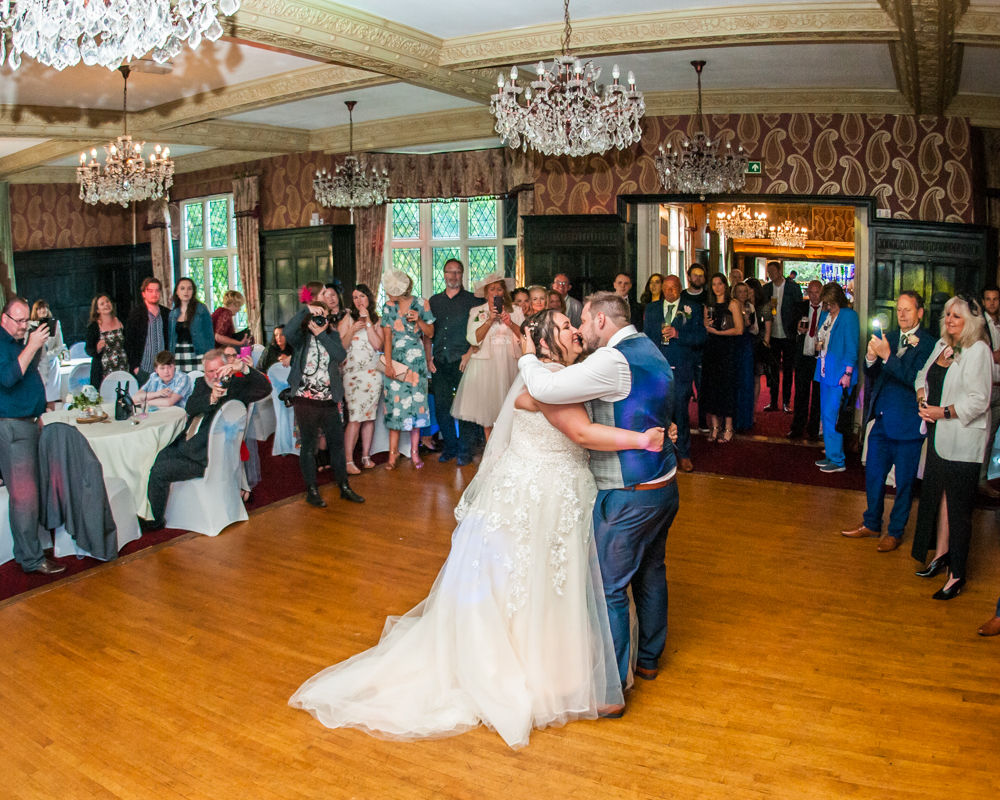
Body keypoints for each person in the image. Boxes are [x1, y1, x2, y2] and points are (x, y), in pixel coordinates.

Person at [289, 309, 664, 748]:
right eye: (565, 326)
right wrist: (643, 440)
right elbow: (579, 432)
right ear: (543, 342)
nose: (576, 330)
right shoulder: (543, 379)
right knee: (531, 581)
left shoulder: (559, 375)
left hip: (554, 488)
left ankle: (558, 663)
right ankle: (534, 669)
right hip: (536, 494)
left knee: (547, 580)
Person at [519, 292, 677, 694]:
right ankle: (648, 660)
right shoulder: (650, 350)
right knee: (650, 572)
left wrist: (524, 356)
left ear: (603, 322)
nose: (579, 329)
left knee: (608, 587)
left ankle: (609, 689)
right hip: (663, 485)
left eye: (584, 322)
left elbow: (547, 389)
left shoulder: (610, 360)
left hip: (629, 490)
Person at [911, 294, 992, 600]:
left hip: (961, 439)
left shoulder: (978, 350)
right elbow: (923, 376)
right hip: (937, 436)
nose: (949, 320)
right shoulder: (942, 345)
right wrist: (922, 399)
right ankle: (941, 555)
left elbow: (978, 400)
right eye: (947, 315)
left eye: (956, 316)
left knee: (958, 509)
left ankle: (957, 574)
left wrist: (941, 412)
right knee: (939, 499)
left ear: (971, 321)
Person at [840, 291, 934, 552]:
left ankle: (895, 532)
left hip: (908, 424)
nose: (902, 314)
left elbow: (915, 378)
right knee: (873, 476)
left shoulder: (929, 344)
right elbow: (872, 372)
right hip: (881, 419)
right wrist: (871, 358)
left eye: (907, 309)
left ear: (920, 313)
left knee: (904, 483)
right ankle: (871, 523)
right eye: (899, 309)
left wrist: (887, 356)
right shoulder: (889, 337)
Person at [144, 347, 272, 529]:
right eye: (209, 371)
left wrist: (243, 369)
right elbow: (191, 407)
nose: (213, 376)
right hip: (188, 444)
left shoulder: (238, 386)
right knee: (156, 455)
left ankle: (155, 521)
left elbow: (265, 389)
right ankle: (154, 509)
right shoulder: (201, 383)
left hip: (208, 456)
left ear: (226, 368)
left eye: (216, 370)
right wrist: (211, 398)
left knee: (159, 471)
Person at [0, 297, 65, 575]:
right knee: (24, 497)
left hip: (27, 422)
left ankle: (30, 553)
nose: (24, 326)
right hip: (12, 428)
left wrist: (37, 414)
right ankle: (30, 559)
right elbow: (9, 376)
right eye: (19, 321)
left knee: (32, 493)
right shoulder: (3, 343)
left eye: (27, 321)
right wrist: (32, 345)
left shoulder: (16, 342)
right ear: (4, 318)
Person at [284, 299, 364, 507]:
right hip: (305, 399)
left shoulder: (332, 335)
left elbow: (339, 355)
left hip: (329, 399)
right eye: (316, 316)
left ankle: (344, 486)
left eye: (323, 316)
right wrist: (305, 311)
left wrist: (322, 334)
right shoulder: (301, 338)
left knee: (337, 445)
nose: (320, 319)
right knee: (309, 446)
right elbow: (287, 333)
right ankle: (311, 490)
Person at [451, 272, 524, 440]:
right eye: (492, 289)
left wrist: (510, 323)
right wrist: (489, 320)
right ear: (486, 293)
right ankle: (489, 447)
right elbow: (472, 338)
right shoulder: (477, 311)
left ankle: (507, 445)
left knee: (510, 407)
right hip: (486, 365)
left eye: (499, 289)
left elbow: (524, 337)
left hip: (509, 362)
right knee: (487, 407)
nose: (496, 292)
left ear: (504, 292)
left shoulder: (516, 311)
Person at [643, 274, 704, 472]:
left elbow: (701, 337)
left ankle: (684, 454)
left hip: (681, 367)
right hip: (657, 369)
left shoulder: (692, 308)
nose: (670, 291)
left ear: (680, 288)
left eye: (674, 288)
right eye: (666, 288)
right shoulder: (652, 309)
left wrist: (679, 334)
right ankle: (658, 453)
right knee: (657, 412)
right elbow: (647, 338)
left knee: (680, 412)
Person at [380, 269, 435, 470]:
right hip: (395, 360)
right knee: (394, 407)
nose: (388, 294)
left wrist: (418, 320)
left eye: (391, 290)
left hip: (416, 361)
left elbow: (430, 333)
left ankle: (414, 452)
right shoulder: (388, 307)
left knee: (416, 406)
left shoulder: (422, 303)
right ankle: (392, 454)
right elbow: (387, 338)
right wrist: (388, 365)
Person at [428, 258, 479, 466]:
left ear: (463, 274)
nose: (453, 276)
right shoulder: (434, 301)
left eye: (457, 272)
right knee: (442, 407)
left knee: (466, 408)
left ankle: (465, 451)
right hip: (439, 360)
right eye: (449, 272)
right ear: (444, 274)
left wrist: (469, 353)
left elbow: (480, 331)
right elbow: (428, 333)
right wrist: (428, 356)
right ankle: (450, 447)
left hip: (463, 360)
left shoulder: (473, 301)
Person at [813, 282, 858, 473]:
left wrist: (847, 373)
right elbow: (820, 337)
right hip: (824, 370)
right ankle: (831, 455)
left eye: (831, 303)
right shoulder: (825, 315)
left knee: (834, 417)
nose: (828, 306)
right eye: (826, 303)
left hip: (840, 373)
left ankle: (838, 461)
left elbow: (852, 346)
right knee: (825, 416)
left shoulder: (849, 316)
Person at [338, 284, 383, 474]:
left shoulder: (378, 320)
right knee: (355, 417)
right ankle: (348, 460)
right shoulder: (348, 318)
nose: (358, 300)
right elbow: (340, 347)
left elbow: (377, 345)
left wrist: (368, 322)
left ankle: (366, 456)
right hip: (353, 375)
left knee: (369, 417)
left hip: (372, 374)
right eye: (355, 297)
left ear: (369, 299)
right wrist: (352, 329)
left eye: (362, 296)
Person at [700, 273, 744, 442]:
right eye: (714, 284)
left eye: (720, 284)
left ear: (725, 285)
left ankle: (728, 427)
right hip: (712, 349)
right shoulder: (708, 305)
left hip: (727, 349)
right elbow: (706, 325)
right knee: (712, 388)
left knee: (726, 388)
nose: (717, 287)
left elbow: (739, 329)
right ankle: (715, 426)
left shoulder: (732, 304)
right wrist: (708, 327)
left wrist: (719, 332)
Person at [762, 260, 803, 412]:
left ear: (780, 271)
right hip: (772, 334)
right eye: (769, 272)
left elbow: (799, 309)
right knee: (773, 370)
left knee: (787, 370)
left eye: (773, 271)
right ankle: (773, 401)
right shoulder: (766, 289)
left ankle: (786, 401)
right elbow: (762, 309)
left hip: (788, 335)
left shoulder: (793, 288)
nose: (770, 275)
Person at [787, 280, 824, 440]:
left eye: (817, 292)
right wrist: (797, 329)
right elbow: (789, 327)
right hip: (802, 357)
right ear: (807, 293)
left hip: (819, 359)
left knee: (817, 395)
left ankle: (814, 429)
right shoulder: (800, 307)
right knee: (801, 394)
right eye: (811, 292)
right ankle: (797, 427)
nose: (814, 296)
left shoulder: (828, 311)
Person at [125, 277, 170, 385]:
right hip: (143, 368)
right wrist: (135, 366)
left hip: (164, 368)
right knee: (144, 400)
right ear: (144, 293)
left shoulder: (167, 313)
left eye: (157, 290)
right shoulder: (136, 314)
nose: (154, 293)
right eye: (150, 291)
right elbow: (128, 342)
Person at [681, 264, 709, 432]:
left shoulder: (708, 297)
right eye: (695, 275)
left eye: (701, 275)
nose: (697, 278)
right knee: (684, 388)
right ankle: (684, 421)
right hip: (684, 347)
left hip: (702, 347)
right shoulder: (682, 296)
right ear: (689, 276)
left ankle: (703, 421)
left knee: (702, 386)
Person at [168, 277, 214, 373]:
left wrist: (210, 355)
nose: (186, 292)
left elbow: (209, 335)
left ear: (193, 291)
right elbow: (171, 337)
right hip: (178, 353)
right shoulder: (173, 313)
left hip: (198, 352)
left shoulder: (201, 309)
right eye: (182, 288)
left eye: (189, 288)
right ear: (176, 292)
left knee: (198, 381)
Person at [979, 284, 1000, 497]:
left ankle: (985, 478)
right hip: (987, 388)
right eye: (988, 299)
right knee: (984, 436)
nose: (992, 303)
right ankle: (979, 480)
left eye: (995, 299)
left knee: (993, 437)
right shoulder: (980, 325)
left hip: (999, 388)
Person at [84, 294, 128, 389]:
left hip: (123, 367)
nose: (106, 305)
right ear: (97, 309)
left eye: (107, 302)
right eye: (102, 304)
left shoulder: (121, 321)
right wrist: (97, 348)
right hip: (103, 371)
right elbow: (88, 349)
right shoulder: (93, 327)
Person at [731, 281, 757, 432]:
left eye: (744, 292)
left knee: (746, 380)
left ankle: (745, 419)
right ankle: (734, 419)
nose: (742, 294)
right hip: (734, 342)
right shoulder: (732, 305)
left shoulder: (750, 307)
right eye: (739, 291)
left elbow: (753, 328)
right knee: (735, 381)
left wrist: (747, 320)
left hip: (746, 343)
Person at [29, 300, 65, 407]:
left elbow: (60, 346)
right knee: (38, 396)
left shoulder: (55, 324)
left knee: (51, 397)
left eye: (44, 307)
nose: (42, 310)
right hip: (37, 365)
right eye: (39, 308)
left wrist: (48, 355)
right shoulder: (30, 325)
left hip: (52, 364)